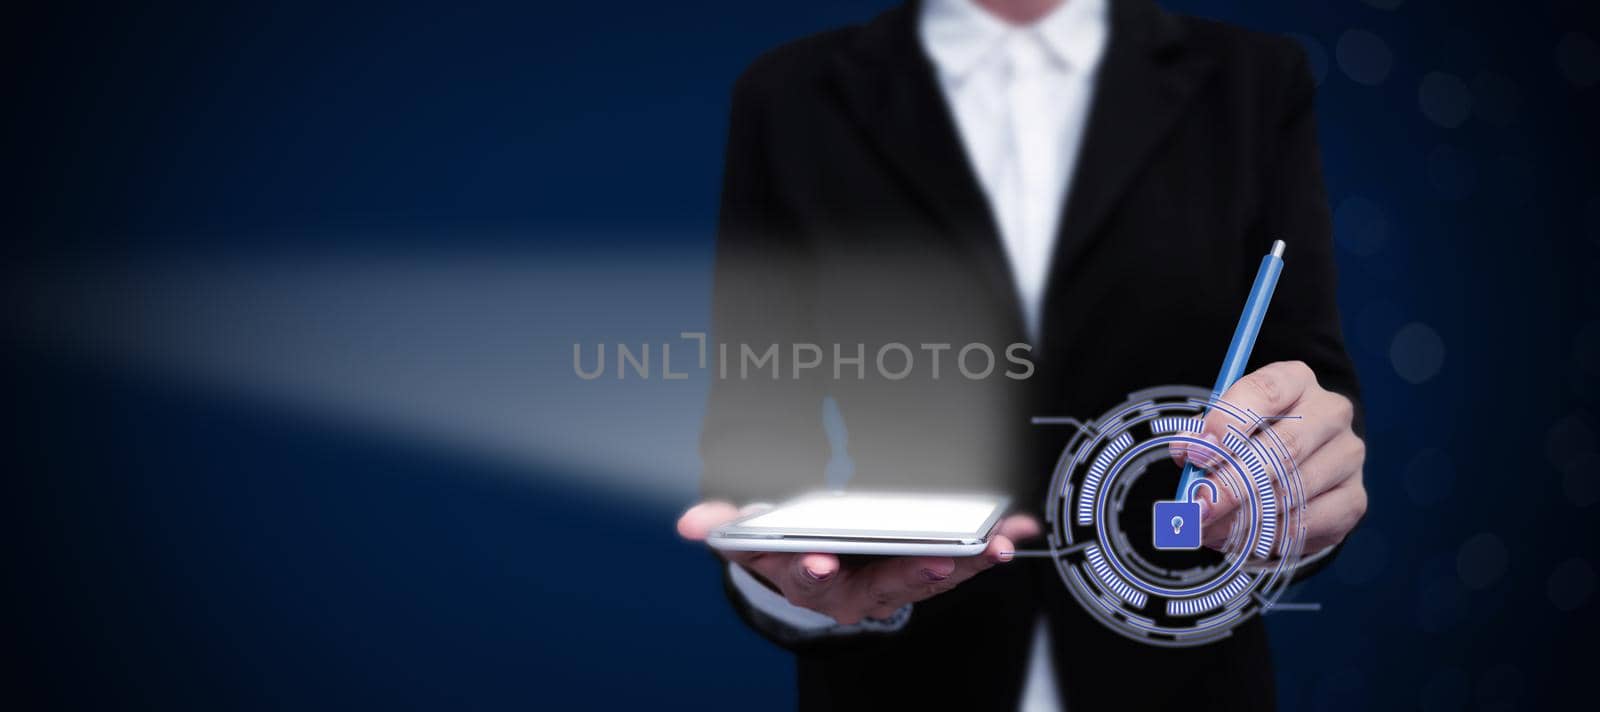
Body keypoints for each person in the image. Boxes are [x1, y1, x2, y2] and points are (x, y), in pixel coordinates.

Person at [677, 0, 1368, 709]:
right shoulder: (789, 94)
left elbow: (1309, 390)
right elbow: (757, 415)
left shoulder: (1255, 80)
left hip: (1180, 675)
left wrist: (1299, 494)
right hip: (896, 680)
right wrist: (793, 581)